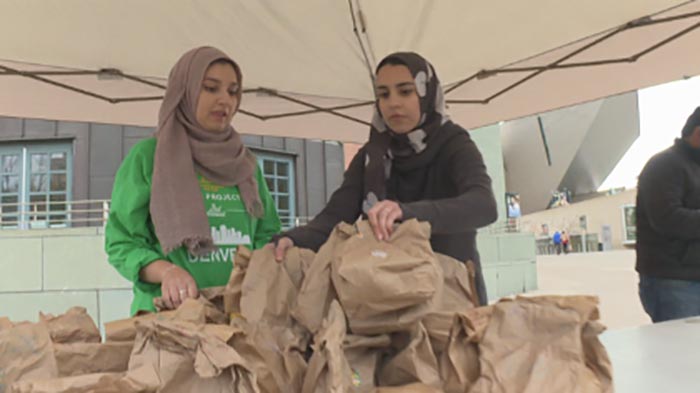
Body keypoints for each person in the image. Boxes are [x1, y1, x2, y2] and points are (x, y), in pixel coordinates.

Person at [272, 52, 497, 305]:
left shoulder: (455, 144)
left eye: (405, 91)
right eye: (383, 94)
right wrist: (294, 238)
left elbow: (483, 205)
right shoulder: (372, 155)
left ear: (426, 93)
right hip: (387, 298)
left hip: (450, 296)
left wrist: (406, 212)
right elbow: (335, 217)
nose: (393, 103)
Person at [105, 47, 281, 315]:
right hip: (169, 324)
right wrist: (168, 272)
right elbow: (122, 244)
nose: (225, 100)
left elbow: (267, 235)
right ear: (184, 92)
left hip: (239, 320)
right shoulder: (149, 157)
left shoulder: (245, 163)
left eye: (233, 92)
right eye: (211, 88)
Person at [636, 106, 700, 323]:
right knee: (683, 352)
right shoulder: (664, 165)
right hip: (674, 281)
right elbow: (668, 219)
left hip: (690, 277)